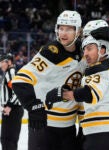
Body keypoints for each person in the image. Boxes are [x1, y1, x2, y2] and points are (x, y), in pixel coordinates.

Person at [12, 10, 86, 150]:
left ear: (78, 31)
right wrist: (33, 107)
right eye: (61, 28)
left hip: (69, 127)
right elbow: (19, 81)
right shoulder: (51, 52)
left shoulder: (83, 51)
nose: (63, 33)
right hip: (44, 127)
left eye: (69, 29)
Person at [57, 36, 109, 150]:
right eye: (84, 50)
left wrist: (61, 94)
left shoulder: (97, 70)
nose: (85, 53)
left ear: (102, 50)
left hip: (100, 132)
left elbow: (89, 94)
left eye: (89, 49)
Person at [0, 53, 24, 150]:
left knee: (7, 140)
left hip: (12, 110)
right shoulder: (10, 72)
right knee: (9, 140)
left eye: (2, 62)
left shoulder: (11, 72)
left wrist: (9, 106)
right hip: (13, 110)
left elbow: (18, 92)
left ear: (9, 62)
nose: (0, 65)